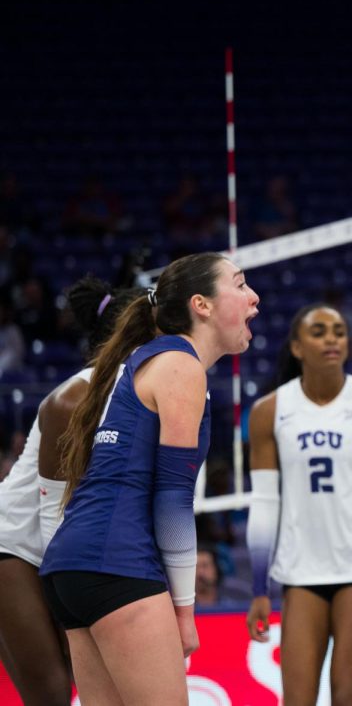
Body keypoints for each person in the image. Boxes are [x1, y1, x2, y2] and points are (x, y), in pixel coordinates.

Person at [39, 252, 259, 705]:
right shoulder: (181, 366)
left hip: (73, 567)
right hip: (118, 563)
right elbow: (173, 502)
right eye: (240, 285)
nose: (254, 297)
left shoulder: (143, 360)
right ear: (202, 304)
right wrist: (184, 610)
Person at [245, 304, 352, 706]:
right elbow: (264, 502)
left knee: (347, 696)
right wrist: (259, 587)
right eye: (318, 332)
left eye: (337, 331)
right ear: (298, 347)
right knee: (296, 699)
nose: (331, 338)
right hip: (300, 572)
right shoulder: (269, 411)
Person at [0, 277, 139, 705]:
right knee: (53, 694)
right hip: (19, 545)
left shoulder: (156, 389)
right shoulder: (85, 394)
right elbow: (55, 513)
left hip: (70, 547)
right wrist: (72, 606)